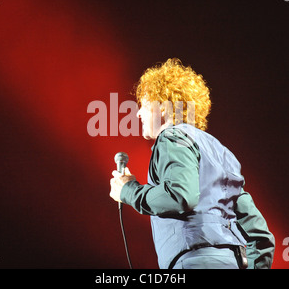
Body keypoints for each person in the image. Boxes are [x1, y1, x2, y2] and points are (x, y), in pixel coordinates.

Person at [109, 58, 274, 269]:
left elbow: (180, 196)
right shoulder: (222, 153)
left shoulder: (171, 137)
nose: (138, 113)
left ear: (162, 106)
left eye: (144, 105)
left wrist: (128, 191)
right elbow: (261, 237)